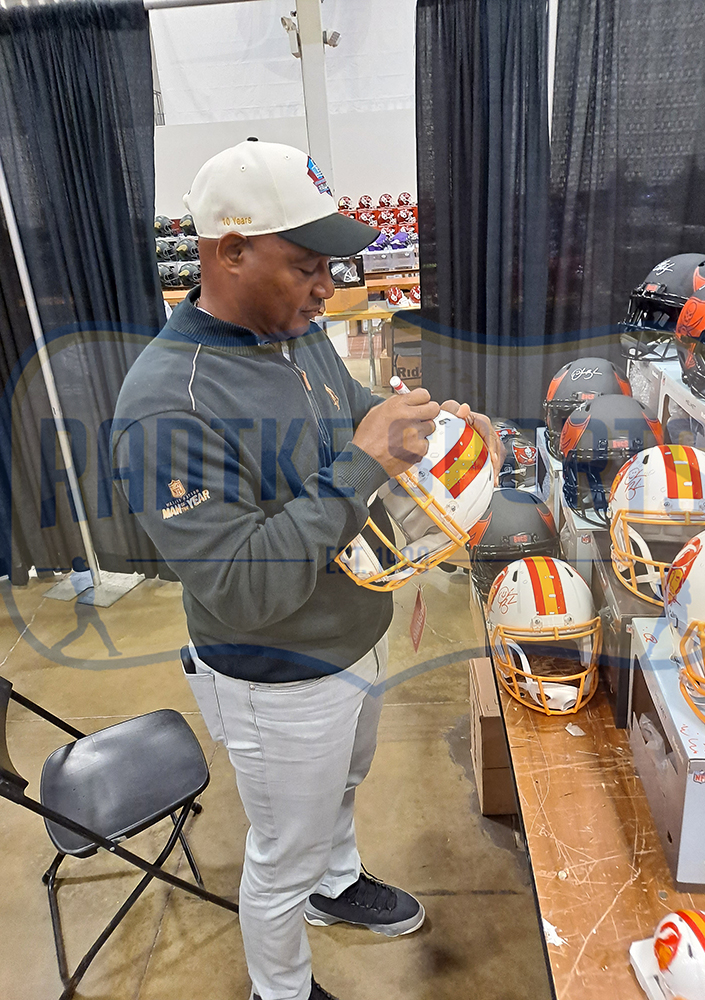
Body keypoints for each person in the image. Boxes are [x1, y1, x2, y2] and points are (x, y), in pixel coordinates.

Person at [112, 139, 501, 1000]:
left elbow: (343, 412)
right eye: (307, 265)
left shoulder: (293, 332)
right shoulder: (165, 403)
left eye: (330, 265)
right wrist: (364, 463)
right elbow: (242, 587)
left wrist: (414, 423)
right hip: (274, 672)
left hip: (353, 631)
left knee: (345, 784)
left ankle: (337, 881)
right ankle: (279, 989)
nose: (328, 286)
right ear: (229, 251)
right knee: (277, 856)